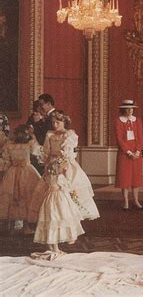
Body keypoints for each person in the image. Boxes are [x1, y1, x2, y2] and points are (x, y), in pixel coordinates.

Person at [32, 111, 92, 259]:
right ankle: (52, 239)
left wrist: (61, 167)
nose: (55, 125)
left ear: (64, 122)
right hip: (51, 166)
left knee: (65, 198)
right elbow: (46, 152)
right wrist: (47, 165)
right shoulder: (50, 135)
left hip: (63, 166)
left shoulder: (69, 135)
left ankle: (64, 234)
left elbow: (67, 154)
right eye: (53, 122)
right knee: (50, 199)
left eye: (58, 122)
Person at [0, 124, 46, 234]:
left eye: (24, 134)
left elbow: (39, 152)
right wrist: (4, 168)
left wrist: (33, 137)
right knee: (11, 197)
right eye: (19, 134)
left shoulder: (29, 145)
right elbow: (6, 160)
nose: (21, 136)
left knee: (27, 196)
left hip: (27, 171)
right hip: (13, 172)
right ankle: (11, 225)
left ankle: (26, 226)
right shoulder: (9, 146)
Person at [114, 99, 143, 210]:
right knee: (125, 177)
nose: (130, 111)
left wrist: (137, 151)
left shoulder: (137, 121)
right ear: (123, 109)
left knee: (136, 177)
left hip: (136, 153)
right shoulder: (118, 121)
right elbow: (119, 139)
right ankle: (125, 201)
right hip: (124, 153)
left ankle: (136, 200)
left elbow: (140, 137)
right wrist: (128, 152)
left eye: (132, 109)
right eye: (128, 109)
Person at [26, 100, 46, 174]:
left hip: (42, 142)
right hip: (33, 142)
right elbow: (27, 127)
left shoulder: (45, 118)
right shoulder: (32, 117)